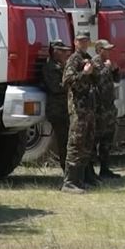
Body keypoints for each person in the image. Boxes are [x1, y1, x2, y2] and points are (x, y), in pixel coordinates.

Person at [62, 32, 98, 191]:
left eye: (86, 41)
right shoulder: (73, 59)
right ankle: (70, 182)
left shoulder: (87, 57)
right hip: (78, 108)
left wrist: (94, 71)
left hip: (88, 108)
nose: (84, 43)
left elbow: (95, 80)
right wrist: (85, 73)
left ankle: (81, 179)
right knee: (76, 143)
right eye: (81, 41)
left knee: (86, 142)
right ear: (75, 42)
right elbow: (68, 81)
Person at [92, 39, 122, 179]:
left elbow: (117, 80)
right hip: (99, 109)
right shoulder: (95, 62)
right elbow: (98, 79)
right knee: (95, 139)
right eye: (106, 49)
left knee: (107, 140)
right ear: (99, 50)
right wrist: (107, 68)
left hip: (109, 107)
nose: (109, 51)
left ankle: (105, 169)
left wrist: (115, 69)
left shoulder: (107, 63)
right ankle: (91, 171)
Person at [42, 40, 72, 169]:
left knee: (69, 141)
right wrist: (72, 83)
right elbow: (56, 87)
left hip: (65, 109)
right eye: (63, 51)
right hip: (57, 111)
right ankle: (66, 171)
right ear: (55, 52)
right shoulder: (50, 68)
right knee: (63, 141)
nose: (66, 54)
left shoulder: (61, 66)